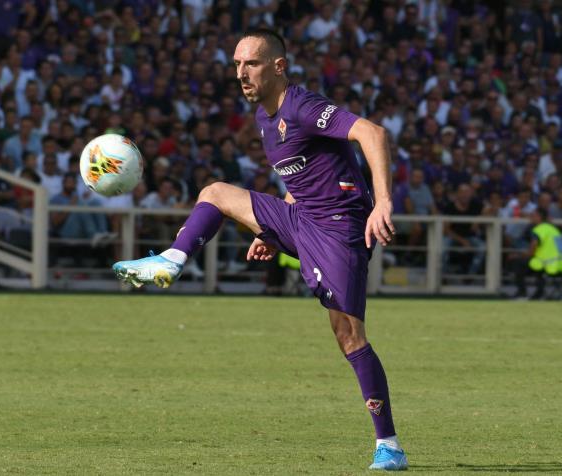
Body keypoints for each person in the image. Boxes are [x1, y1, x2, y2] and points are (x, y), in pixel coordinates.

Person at [113, 29, 407, 471]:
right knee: (215, 192)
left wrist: (382, 202)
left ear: (278, 66)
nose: (240, 73)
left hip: (338, 231)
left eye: (250, 63)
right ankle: (171, 260)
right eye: (236, 64)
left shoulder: (303, 106)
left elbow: (373, 133)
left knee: (349, 336)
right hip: (301, 219)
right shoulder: (265, 119)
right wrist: (269, 231)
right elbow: (300, 181)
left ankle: (389, 445)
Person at [509, 207, 562, 299]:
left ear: (539, 217)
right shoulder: (554, 229)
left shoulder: (539, 230)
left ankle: (522, 293)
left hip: (549, 266)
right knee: (534, 263)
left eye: (533, 216)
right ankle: (539, 292)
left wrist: (517, 255)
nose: (531, 218)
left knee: (518, 262)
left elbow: (531, 252)